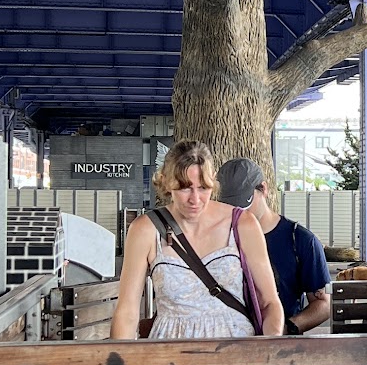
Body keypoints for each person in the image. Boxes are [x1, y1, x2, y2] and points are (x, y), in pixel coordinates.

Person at [110, 139, 284, 341]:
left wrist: (270, 349)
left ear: (213, 181)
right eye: (184, 188)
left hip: (236, 354)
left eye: (203, 187)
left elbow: (270, 302)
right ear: (166, 182)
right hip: (169, 357)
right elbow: (128, 311)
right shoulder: (145, 229)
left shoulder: (242, 224)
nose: (195, 199)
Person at [217, 158, 333, 335]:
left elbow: (324, 304)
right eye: (231, 208)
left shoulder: (300, 240)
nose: (240, 214)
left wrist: (286, 328)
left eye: (245, 204)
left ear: (264, 189)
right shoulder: (217, 239)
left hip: (280, 349)